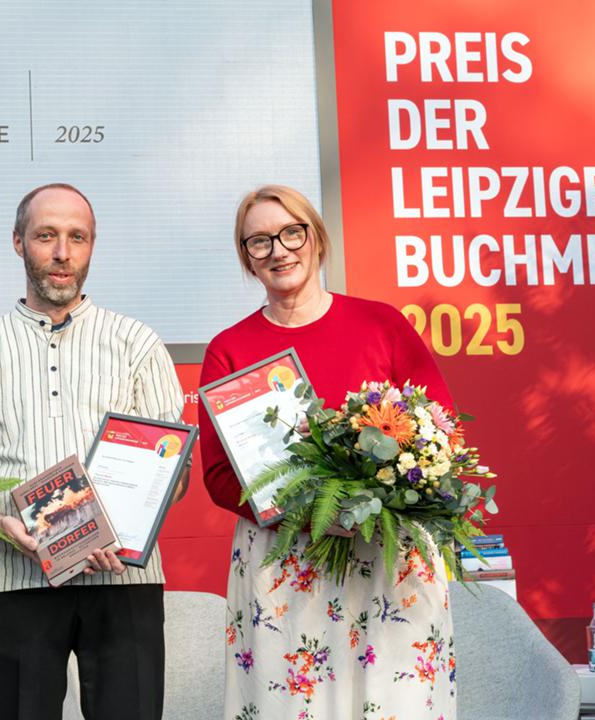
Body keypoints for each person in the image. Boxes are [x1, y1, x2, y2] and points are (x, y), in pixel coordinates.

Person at [199, 186, 458, 719]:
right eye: (259, 242)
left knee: (395, 701)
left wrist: (383, 502)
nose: (279, 250)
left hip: (388, 559)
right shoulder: (229, 349)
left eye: (291, 232)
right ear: (247, 259)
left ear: (316, 238)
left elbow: (441, 429)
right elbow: (222, 475)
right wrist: (308, 515)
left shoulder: (381, 324)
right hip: (287, 568)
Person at [0, 183, 185, 719]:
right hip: (19, 580)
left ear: (93, 245)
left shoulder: (138, 343)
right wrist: (9, 530)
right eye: (46, 235)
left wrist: (119, 523)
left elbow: (175, 473)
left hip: (125, 578)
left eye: (78, 237)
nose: (62, 252)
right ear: (18, 242)